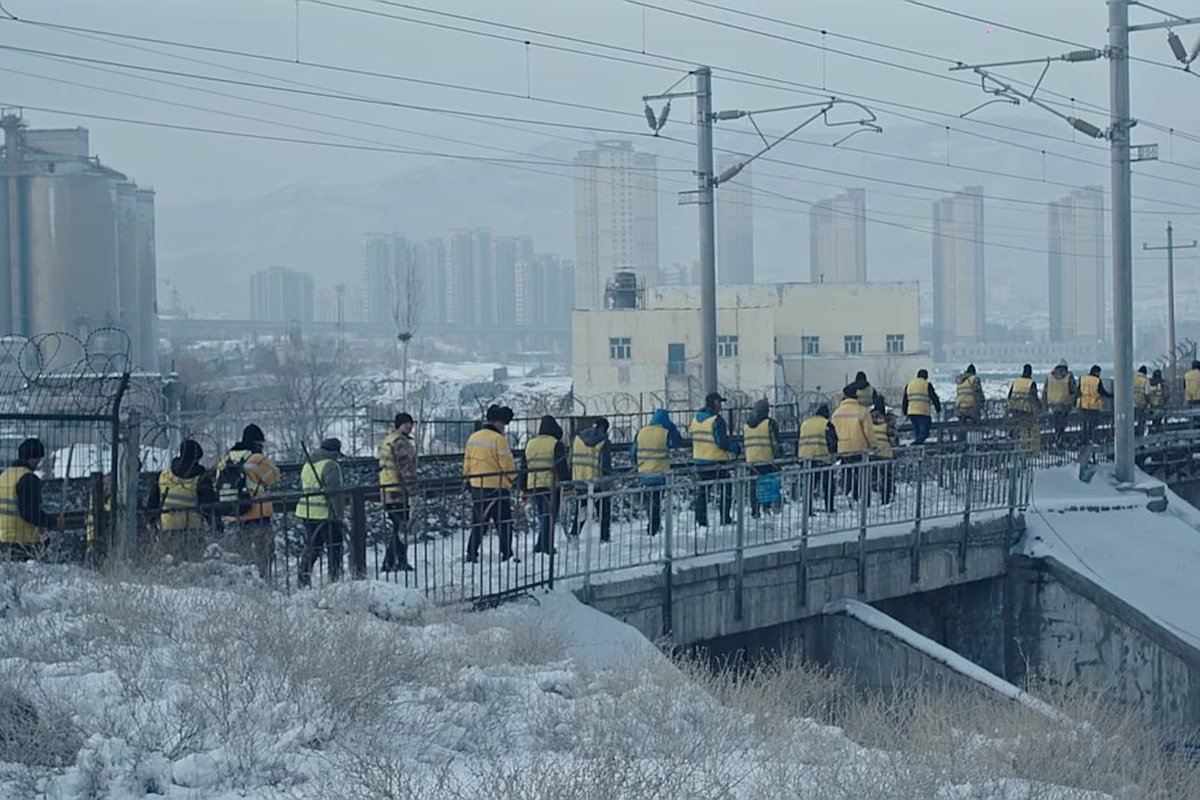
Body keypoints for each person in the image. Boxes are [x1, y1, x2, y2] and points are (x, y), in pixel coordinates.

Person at [214, 423, 280, 579]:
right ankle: (264, 581)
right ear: (257, 443)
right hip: (258, 513)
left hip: (233, 514)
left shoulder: (225, 459)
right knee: (264, 553)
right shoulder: (257, 459)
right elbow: (273, 478)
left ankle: (243, 584)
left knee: (239, 557)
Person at [147, 439, 217, 564]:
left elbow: (151, 506)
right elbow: (209, 507)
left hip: (167, 528)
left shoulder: (163, 475)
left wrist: (152, 525)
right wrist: (216, 526)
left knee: (169, 564)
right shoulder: (201, 478)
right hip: (192, 530)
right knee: (193, 565)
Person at [463, 405, 517, 564]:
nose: (504, 428)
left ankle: (471, 553)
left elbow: (467, 461)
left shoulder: (473, 437)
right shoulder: (499, 440)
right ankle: (506, 554)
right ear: (498, 422)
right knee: (504, 523)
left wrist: (467, 480)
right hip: (497, 488)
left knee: (479, 522)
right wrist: (513, 480)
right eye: (503, 425)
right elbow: (507, 464)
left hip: (477, 487)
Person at [0, 439, 62, 561]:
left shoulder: (4, 476)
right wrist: (53, 522)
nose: (39, 463)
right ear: (33, 458)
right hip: (24, 542)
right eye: (38, 459)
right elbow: (31, 513)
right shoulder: (28, 479)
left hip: (3, 540)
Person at [296, 437, 346, 586]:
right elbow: (334, 493)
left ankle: (303, 577)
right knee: (335, 546)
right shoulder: (331, 465)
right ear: (334, 452)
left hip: (307, 511)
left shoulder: (308, 464)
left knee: (313, 547)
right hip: (325, 513)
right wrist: (339, 515)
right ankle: (335, 578)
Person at [521, 414, 570, 554]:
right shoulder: (555, 444)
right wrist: (567, 484)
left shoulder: (530, 443)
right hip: (551, 485)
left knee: (543, 516)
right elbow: (561, 466)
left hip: (534, 484)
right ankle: (546, 546)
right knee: (549, 516)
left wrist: (524, 488)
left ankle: (540, 545)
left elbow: (524, 467)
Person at [631, 409, 682, 536]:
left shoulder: (641, 432)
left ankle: (653, 524)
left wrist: (636, 465)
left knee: (650, 502)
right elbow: (676, 443)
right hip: (660, 474)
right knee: (656, 501)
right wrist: (673, 428)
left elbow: (632, 452)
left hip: (644, 473)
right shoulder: (665, 433)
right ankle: (654, 527)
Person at [377, 413, 417, 573]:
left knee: (399, 526)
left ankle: (400, 561)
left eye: (411, 424)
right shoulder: (399, 442)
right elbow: (406, 468)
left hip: (388, 487)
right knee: (400, 527)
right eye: (406, 424)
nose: (409, 426)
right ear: (399, 425)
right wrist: (413, 490)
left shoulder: (389, 439)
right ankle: (390, 562)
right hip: (397, 490)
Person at [691, 392, 737, 527]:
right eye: (720, 402)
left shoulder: (695, 419)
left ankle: (701, 520)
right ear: (715, 403)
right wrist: (735, 448)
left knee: (703, 491)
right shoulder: (716, 420)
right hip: (715, 460)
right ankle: (725, 517)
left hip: (699, 460)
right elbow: (722, 442)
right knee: (726, 486)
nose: (721, 406)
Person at [571, 417, 612, 543]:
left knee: (582, 509)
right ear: (605, 428)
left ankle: (575, 533)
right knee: (603, 510)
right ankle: (604, 537)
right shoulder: (603, 441)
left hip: (579, 481)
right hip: (597, 482)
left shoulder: (578, 439)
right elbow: (605, 464)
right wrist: (608, 481)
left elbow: (571, 458)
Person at [832, 385, 874, 501]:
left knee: (847, 474)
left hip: (843, 448)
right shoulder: (862, 411)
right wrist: (874, 446)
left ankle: (847, 495)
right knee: (862, 475)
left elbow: (833, 432)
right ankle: (862, 498)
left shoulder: (836, 412)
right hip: (859, 448)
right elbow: (868, 432)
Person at [743, 398, 782, 518]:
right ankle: (767, 508)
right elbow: (775, 442)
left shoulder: (746, 424)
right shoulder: (769, 423)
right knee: (768, 484)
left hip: (751, 460)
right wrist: (779, 457)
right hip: (767, 458)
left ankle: (755, 510)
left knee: (754, 486)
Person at [797, 405, 837, 513]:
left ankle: (807, 509)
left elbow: (798, 440)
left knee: (809, 485)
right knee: (828, 485)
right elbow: (832, 441)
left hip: (805, 458)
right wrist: (834, 456)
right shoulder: (826, 424)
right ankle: (829, 507)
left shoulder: (805, 423)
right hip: (822, 458)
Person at [1007, 364, 1041, 454]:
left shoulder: (1016, 381)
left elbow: (1010, 395)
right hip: (1026, 410)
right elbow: (1034, 397)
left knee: (1016, 428)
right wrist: (1040, 407)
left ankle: (1013, 445)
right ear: (1031, 373)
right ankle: (1025, 449)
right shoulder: (1031, 383)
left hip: (1014, 408)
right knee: (1026, 430)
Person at [902, 369, 942, 446]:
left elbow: (905, 399)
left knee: (917, 431)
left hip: (912, 412)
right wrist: (938, 409)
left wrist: (904, 411)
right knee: (924, 432)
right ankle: (916, 443)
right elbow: (934, 397)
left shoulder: (909, 384)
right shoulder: (927, 385)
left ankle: (918, 447)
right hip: (923, 412)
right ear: (926, 377)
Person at [869, 397, 897, 505]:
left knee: (872, 477)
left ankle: (872, 498)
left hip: (872, 453)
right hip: (886, 453)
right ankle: (886, 498)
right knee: (887, 478)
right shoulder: (888, 421)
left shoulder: (868, 420)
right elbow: (892, 438)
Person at [1044, 360, 1079, 446]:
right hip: (1065, 404)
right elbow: (1073, 390)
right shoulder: (1068, 376)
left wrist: (1044, 406)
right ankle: (1060, 438)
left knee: (1056, 422)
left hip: (1053, 404)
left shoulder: (1049, 376)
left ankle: (1057, 437)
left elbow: (1045, 391)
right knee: (1062, 423)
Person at [1080, 365, 1112, 444]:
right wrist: (1111, 395)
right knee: (1093, 424)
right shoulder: (1097, 380)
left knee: (1084, 423)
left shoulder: (1083, 379)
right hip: (1094, 405)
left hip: (1084, 404)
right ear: (1096, 372)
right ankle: (1092, 438)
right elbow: (1102, 392)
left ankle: (1084, 439)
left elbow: (1078, 390)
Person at [1148, 368, 1169, 434]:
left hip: (1151, 405)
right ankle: (1156, 431)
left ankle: (1152, 431)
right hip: (1160, 404)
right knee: (1158, 420)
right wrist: (1165, 401)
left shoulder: (1149, 382)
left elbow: (1147, 393)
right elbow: (1166, 394)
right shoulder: (1162, 383)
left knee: (1153, 419)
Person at [1133, 366, 1149, 436]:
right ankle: (1140, 434)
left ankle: (1131, 433)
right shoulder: (1145, 380)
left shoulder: (1133, 378)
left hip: (1131, 403)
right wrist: (1148, 402)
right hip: (1141, 403)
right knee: (1141, 420)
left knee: (1131, 419)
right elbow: (1147, 393)